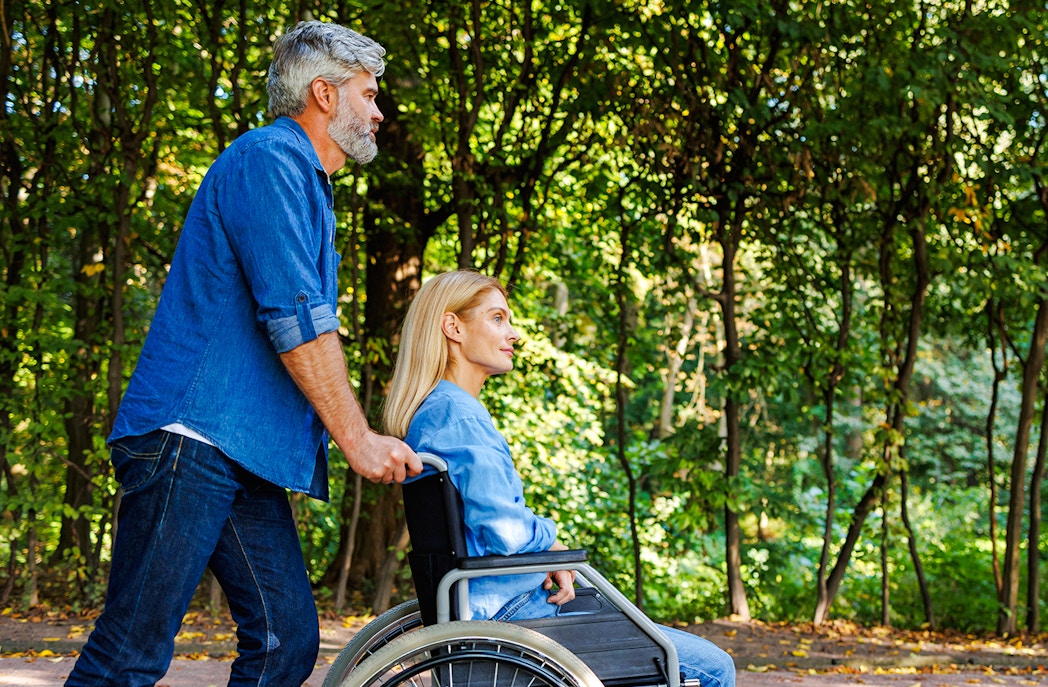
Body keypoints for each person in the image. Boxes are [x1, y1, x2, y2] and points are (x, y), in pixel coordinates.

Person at [67, 21, 422, 687]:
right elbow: (296, 319)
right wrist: (358, 438)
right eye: (369, 95)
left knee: (286, 641)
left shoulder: (308, 183)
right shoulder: (269, 161)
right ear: (323, 93)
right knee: (130, 653)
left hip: (238, 451)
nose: (378, 112)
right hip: (189, 437)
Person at [382, 270, 736, 687]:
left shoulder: (440, 411)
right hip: (513, 620)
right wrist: (552, 545)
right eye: (498, 319)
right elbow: (505, 533)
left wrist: (545, 557)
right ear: (453, 326)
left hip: (499, 608)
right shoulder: (457, 417)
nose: (513, 333)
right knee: (713, 667)